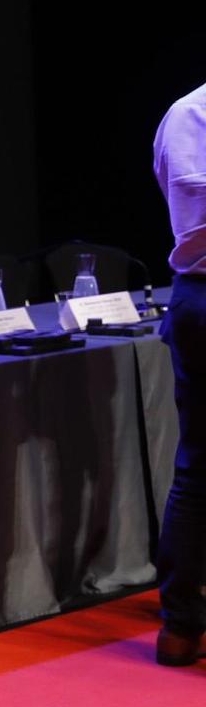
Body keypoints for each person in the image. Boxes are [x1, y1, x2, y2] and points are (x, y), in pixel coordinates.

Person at [154, 82, 206, 667]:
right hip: (202, 296)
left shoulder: (189, 114)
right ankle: (181, 624)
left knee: (199, 465)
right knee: (198, 465)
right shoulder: (192, 115)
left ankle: (183, 624)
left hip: (197, 297)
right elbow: (193, 217)